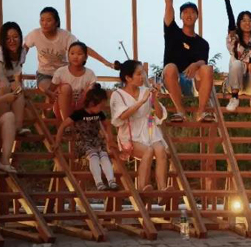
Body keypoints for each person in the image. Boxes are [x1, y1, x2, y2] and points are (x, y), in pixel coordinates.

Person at [24, 7, 115, 106]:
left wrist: (105, 62)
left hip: (63, 73)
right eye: (42, 20)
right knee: (50, 92)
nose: (44, 23)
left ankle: (61, 114)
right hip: (44, 73)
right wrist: (19, 62)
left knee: (64, 93)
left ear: (56, 22)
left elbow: (83, 48)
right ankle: (47, 113)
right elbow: (25, 47)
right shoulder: (35, 34)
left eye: (48, 20)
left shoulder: (65, 36)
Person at [159, 0, 215, 123]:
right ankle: (181, 112)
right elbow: (168, 4)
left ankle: (201, 112)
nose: (189, 15)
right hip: (172, 80)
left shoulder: (202, 43)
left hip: (193, 81)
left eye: (192, 12)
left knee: (207, 68)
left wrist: (196, 64)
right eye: (185, 12)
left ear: (197, 16)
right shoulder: (172, 31)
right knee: (170, 68)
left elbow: (203, 61)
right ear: (181, 16)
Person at [110, 60, 168, 192]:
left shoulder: (146, 91)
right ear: (128, 78)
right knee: (148, 151)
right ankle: (142, 188)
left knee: (161, 150)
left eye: (143, 73)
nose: (142, 77)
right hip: (130, 134)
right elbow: (122, 116)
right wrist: (142, 101)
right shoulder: (117, 95)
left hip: (149, 130)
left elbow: (159, 115)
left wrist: (154, 98)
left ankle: (162, 190)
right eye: (139, 74)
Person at [55, 84, 117, 191]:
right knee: (94, 156)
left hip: (96, 141)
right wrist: (57, 142)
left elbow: (107, 125)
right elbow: (63, 125)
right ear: (92, 103)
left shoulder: (100, 114)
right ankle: (99, 182)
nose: (102, 108)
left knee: (104, 156)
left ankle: (111, 181)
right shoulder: (79, 114)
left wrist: (110, 139)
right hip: (83, 143)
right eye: (100, 106)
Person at [0, 21, 29, 135]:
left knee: (18, 89)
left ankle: (18, 127)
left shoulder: (22, 52)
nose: (12, 41)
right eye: (8, 38)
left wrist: (20, 86)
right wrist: (7, 84)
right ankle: (4, 125)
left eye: (15, 37)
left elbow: (17, 73)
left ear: (20, 37)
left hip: (9, 81)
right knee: (4, 88)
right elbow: (0, 74)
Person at [47, 42, 97, 122]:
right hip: (62, 109)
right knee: (66, 88)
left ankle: (75, 122)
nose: (75, 57)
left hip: (80, 109)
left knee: (92, 89)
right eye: (72, 53)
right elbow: (50, 90)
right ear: (68, 55)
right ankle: (67, 123)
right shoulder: (61, 71)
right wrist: (53, 96)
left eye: (79, 54)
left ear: (85, 57)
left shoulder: (90, 74)